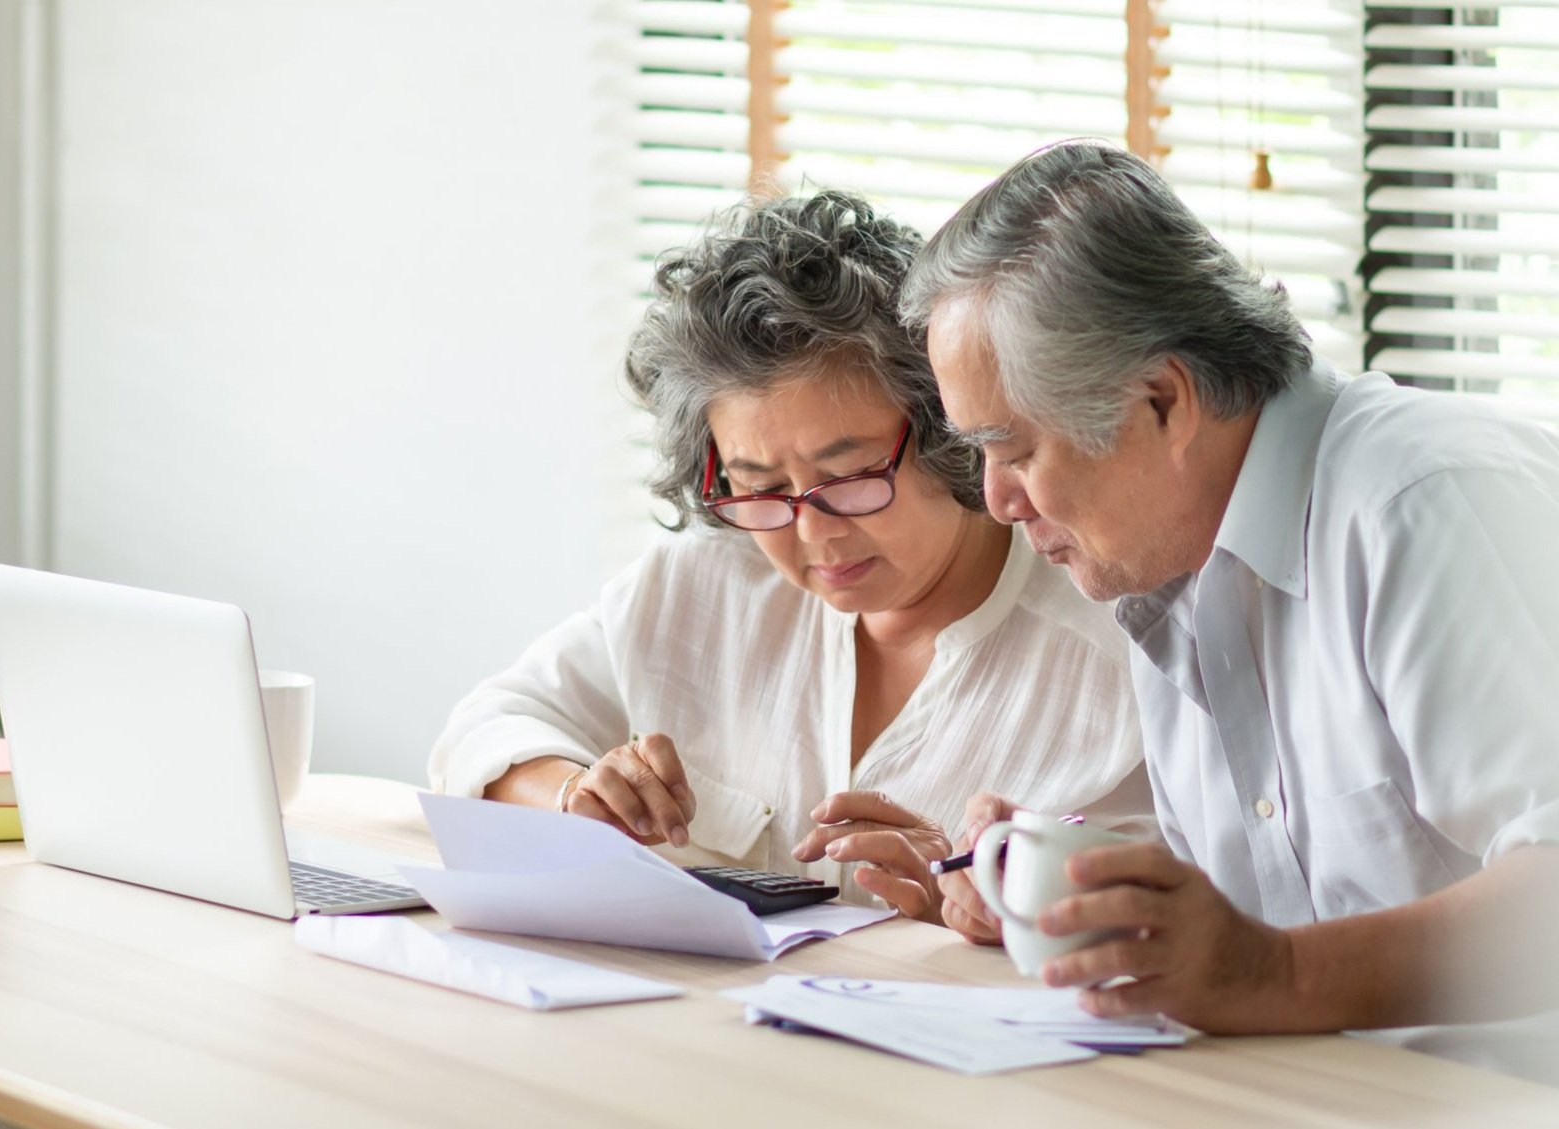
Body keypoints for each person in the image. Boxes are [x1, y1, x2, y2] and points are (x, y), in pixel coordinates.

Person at [903, 140, 1559, 1080]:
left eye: (1010, 448)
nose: (997, 499)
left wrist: (1274, 971)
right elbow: (1287, 911)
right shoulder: (1167, 561)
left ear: (1161, 399)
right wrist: (1078, 894)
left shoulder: (1422, 502)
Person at [429, 191, 1148, 924]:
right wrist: (573, 794)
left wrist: (994, 903)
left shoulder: (1118, 658)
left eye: (848, 478)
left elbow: (1173, 921)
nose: (812, 533)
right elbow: (485, 726)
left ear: (946, 429)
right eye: (762, 486)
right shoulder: (704, 583)